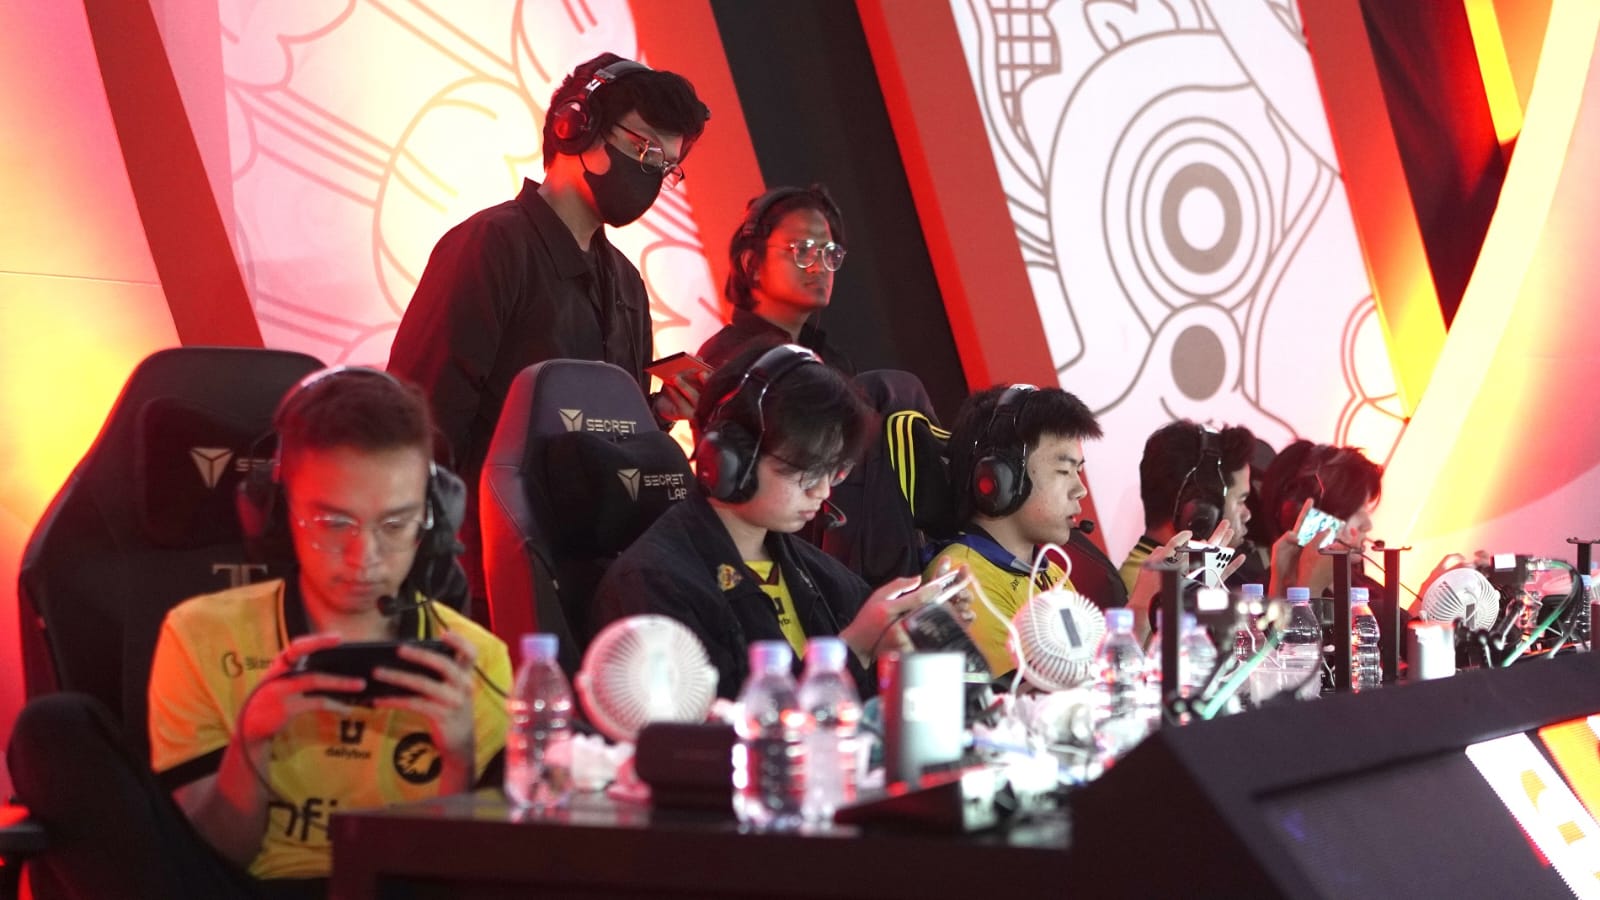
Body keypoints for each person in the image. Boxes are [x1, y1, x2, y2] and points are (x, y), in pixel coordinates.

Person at [8, 369, 509, 898]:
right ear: (277, 512)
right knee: (54, 727)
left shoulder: (477, 661)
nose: (365, 557)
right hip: (242, 889)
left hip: (398, 888)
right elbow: (214, 854)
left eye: (395, 524)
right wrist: (252, 744)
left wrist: (459, 762)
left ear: (432, 518)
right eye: (334, 523)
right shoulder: (202, 634)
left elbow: (460, 875)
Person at [388, 52, 712, 604]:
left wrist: (657, 412)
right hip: (485, 568)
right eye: (645, 150)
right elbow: (421, 423)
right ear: (575, 126)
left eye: (667, 166)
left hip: (596, 578)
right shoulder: (491, 247)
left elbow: (608, 445)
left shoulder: (627, 284)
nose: (653, 175)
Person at [590, 343, 966, 699]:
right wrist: (854, 650)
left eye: (833, 471)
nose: (822, 491)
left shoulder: (820, 573)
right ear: (728, 460)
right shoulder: (654, 583)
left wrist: (914, 638)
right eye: (804, 471)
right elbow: (718, 731)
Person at [927, 384, 1114, 677]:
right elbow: (1021, 696)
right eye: (1064, 471)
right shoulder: (959, 578)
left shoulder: (1049, 572)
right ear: (999, 478)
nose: (1080, 490)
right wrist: (1142, 606)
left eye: (1078, 471)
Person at [698, 184, 854, 373]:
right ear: (752, 264)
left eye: (829, 253)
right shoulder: (726, 358)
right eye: (802, 250)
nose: (820, 267)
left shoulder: (833, 361)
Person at [1117, 420, 1258, 596]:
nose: (1247, 514)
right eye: (1240, 500)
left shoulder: (1173, 581)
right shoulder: (1152, 595)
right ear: (1203, 510)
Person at [1257, 440, 1384, 597]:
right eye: (1356, 510)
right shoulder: (1263, 598)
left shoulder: (1368, 589)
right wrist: (1311, 592)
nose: (1367, 525)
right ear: (1311, 515)